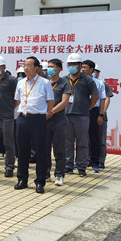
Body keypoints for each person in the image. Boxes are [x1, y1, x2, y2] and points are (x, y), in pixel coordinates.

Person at [13, 56, 55, 194]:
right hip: (23, 119)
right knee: (22, 151)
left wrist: (47, 114)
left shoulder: (45, 83)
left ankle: (40, 182)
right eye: (24, 65)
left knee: (40, 151)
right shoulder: (20, 83)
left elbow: (50, 101)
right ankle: (22, 179)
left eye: (29, 65)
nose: (25, 68)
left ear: (37, 68)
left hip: (38, 119)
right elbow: (17, 101)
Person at [64, 53, 99, 177]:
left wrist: (88, 107)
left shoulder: (88, 80)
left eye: (74, 64)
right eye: (70, 64)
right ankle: (68, 166)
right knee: (67, 142)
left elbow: (95, 96)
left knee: (82, 143)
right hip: (66, 114)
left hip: (82, 115)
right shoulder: (64, 79)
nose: (72, 66)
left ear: (79, 65)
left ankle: (81, 167)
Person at [0, 55, 18, 178]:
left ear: (4, 67)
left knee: (8, 143)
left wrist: (10, 109)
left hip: (7, 117)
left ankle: (9, 167)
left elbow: (17, 98)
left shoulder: (11, 80)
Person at [46, 58, 71, 186]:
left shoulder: (64, 83)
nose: (49, 69)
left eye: (52, 67)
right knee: (44, 149)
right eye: (48, 66)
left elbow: (64, 102)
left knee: (59, 149)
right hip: (44, 120)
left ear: (59, 69)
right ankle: (45, 173)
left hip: (58, 121)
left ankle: (59, 174)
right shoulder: (44, 82)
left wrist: (51, 112)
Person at [82, 59, 107, 173]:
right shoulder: (78, 81)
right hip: (81, 110)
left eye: (85, 67)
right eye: (82, 67)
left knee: (94, 137)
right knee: (81, 137)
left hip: (94, 111)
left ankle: (95, 162)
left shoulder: (99, 83)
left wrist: (101, 115)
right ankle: (82, 161)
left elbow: (102, 100)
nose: (82, 69)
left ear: (91, 70)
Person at [94, 65, 114, 169]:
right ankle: (90, 159)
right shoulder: (86, 83)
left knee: (101, 140)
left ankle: (101, 161)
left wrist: (102, 113)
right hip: (89, 113)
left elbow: (107, 99)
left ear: (99, 73)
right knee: (89, 139)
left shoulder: (103, 84)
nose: (94, 73)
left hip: (100, 113)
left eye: (96, 71)